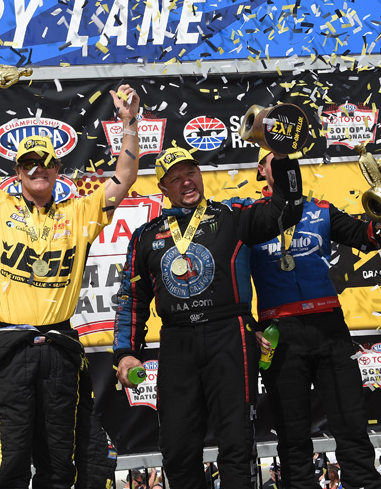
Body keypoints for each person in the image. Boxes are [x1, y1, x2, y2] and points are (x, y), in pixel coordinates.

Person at [0, 76, 140, 488]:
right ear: (18, 171)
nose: (37, 168)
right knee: (6, 460)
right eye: (28, 163)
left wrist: (129, 123)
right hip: (8, 350)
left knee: (60, 462)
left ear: (57, 169)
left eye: (45, 163)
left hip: (60, 351)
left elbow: (126, 176)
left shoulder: (80, 213)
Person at [114, 146, 304, 488]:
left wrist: (286, 156)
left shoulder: (232, 216)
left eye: (191, 173)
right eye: (176, 178)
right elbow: (132, 299)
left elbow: (285, 211)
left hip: (228, 335)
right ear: (163, 188)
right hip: (176, 341)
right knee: (176, 449)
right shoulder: (145, 235)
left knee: (236, 444)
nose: (187, 182)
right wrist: (126, 352)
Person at [240, 149, 381, 489]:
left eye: (286, 158)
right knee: (292, 435)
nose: (281, 164)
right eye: (272, 160)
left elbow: (366, 236)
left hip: (329, 326)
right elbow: (229, 279)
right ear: (262, 170)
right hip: (280, 331)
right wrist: (249, 325)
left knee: (351, 425)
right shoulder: (249, 216)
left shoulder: (320, 209)